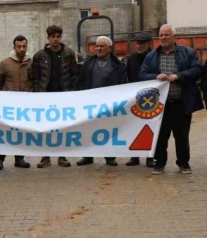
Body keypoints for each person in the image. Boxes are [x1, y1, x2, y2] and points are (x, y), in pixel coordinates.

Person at [140, 24, 204, 175]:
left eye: (166, 35)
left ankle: (183, 163)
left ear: (174, 36)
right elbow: (142, 74)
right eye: (161, 35)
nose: (163, 38)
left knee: (181, 136)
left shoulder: (187, 53)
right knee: (160, 136)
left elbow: (197, 69)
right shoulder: (151, 56)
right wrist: (155, 77)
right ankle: (159, 163)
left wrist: (179, 76)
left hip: (181, 103)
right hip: (159, 106)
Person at [75, 36, 127, 166]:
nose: (98, 48)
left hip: (109, 104)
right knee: (88, 129)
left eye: (101, 46)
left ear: (109, 48)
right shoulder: (88, 63)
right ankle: (87, 156)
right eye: (97, 46)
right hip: (90, 103)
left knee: (108, 129)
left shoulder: (118, 65)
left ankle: (109, 156)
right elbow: (81, 80)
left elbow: (123, 84)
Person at [31, 25, 77, 168]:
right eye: (53, 37)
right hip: (45, 96)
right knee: (45, 127)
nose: (55, 39)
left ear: (60, 37)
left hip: (63, 95)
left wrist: (72, 91)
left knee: (62, 127)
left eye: (58, 36)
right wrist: (37, 91)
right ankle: (46, 157)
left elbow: (74, 74)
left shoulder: (69, 53)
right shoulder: (39, 55)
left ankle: (62, 156)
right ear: (48, 38)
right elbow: (34, 76)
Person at [0, 35, 33, 171]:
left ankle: (19, 158)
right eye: (18, 46)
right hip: (8, 106)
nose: (21, 49)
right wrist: (6, 95)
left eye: (24, 46)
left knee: (20, 132)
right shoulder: (5, 64)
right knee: (4, 132)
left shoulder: (32, 63)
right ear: (14, 47)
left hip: (25, 105)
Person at [125, 33, 156, 167]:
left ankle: (150, 156)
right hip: (135, 98)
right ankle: (135, 156)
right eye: (137, 43)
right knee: (134, 127)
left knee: (151, 128)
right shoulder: (131, 59)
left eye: (142, 43)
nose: (139, 45)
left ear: (149, 43)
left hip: (151, 98)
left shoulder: (155, 57)